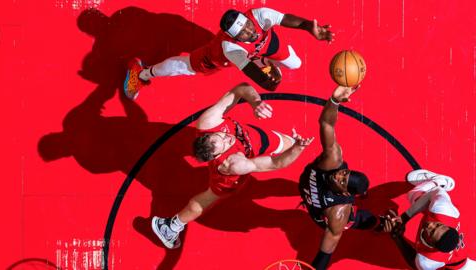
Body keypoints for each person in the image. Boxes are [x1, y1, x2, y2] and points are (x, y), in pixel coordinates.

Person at [151, 82, 314, 249]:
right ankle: (171, 226)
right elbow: (276, 163)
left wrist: (256, 102)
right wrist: (299, 148)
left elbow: (240, 88)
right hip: (232, 175)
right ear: (217, 156)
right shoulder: (235, 164)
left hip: (255, 142)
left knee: (288, 141)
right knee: (211, 197)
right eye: (225, 143)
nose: (228, 137)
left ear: (208, 134)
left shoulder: (208, 122)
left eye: (221, 136)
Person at [124, 7, 334, 99]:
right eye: (243, 34)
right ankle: (142, 73)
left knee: (295, 64)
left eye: (249, 27)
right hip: (219, 59)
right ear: (235, 38)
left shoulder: (260, 15)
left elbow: (286, 19)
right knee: (184, 66)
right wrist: (268, 83)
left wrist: (309, 27)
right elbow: (250, 71)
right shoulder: (228, 48)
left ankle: (263, 57)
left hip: (267, 45)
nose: (249, 33)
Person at [298, 85, 379, 270]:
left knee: (359, 221)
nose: (338, 176)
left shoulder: (338, 213)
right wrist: (334, 101)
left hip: (318, 212)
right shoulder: (333, 160)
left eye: (342, 181)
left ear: (344, 193)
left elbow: (326, 250)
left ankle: (380, 224)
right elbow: (326, 124)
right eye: (344, 173)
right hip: (306, 184)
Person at [382, 169, 475, 269]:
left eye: (431, 232)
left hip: (459, 263)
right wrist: (405, 217)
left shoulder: (428, 261)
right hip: (440, 205)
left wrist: (397, 236)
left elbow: (414, 262)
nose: (430, 225)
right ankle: (438, 181)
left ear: (432, 245)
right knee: (414, 195)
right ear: (447, 226)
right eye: (438, 225)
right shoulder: (443, 209)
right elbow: (435, 193)